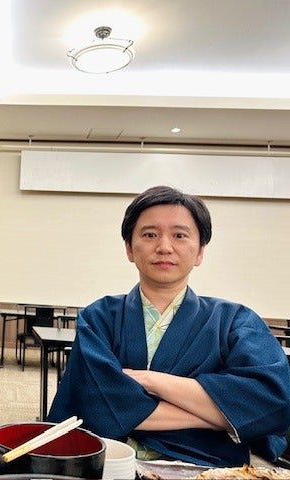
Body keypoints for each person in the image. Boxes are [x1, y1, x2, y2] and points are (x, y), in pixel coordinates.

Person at [48, 185, 290, 467]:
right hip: (111, 463)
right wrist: (224, 415)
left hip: (204, 468)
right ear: (129, 248)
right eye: (150, 234)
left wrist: (151, 381)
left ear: (200, 252)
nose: (164, 246)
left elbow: (271, 400)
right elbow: (97, 405)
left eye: (179, 235)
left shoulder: (235, 321)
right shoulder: (99, 317)